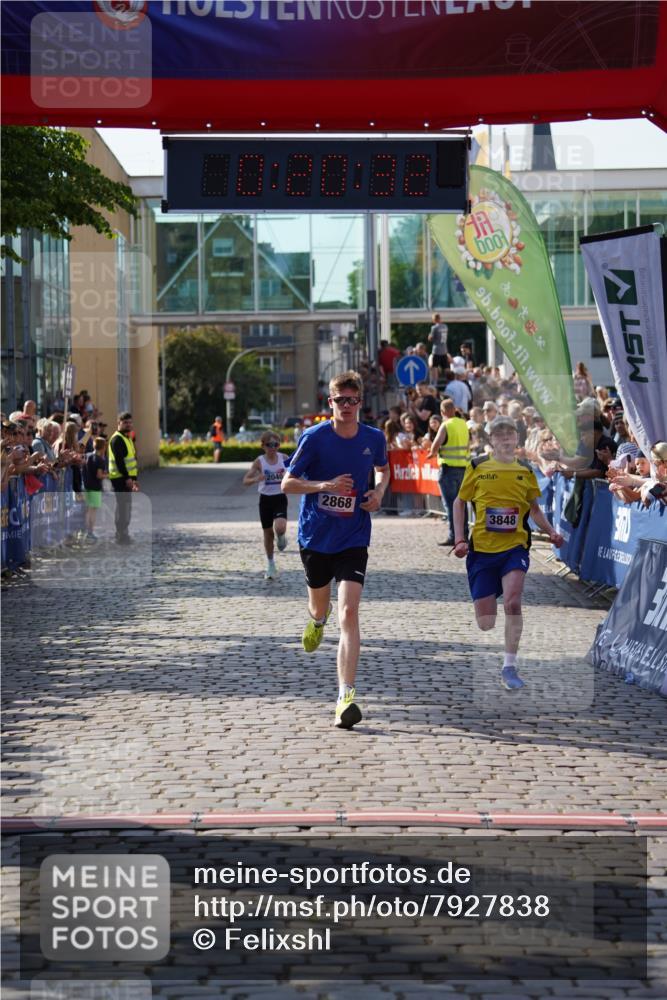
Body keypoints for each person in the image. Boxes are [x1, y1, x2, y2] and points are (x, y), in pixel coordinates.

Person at [281, 370, 389, 730]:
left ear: (361, 402)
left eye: (352, 400)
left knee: (349, 611)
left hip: (354, 536)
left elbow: (383, 470)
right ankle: (315, 620)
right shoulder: (314, 438)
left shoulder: (373, 437)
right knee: (322, 606)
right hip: (316, 537)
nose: (346, 406)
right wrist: (323, 485)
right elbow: (287, 484)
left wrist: (378, 493)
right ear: (330, 402)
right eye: (340, 400)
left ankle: (346, 696)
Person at [452, 416, 564, 691]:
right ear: (491, 440)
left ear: (517, 440)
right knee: (486, 622)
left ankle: (509, 665)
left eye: (509, 435)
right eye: (499, 435)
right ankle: (491, 591)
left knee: (513, 603)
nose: (505, 440)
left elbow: (534, 509)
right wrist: (459, 538)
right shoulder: (477, 466)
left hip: (515, 548)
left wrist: (551, 531)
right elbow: (460, 501)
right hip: (482, 550)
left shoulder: (525, 470)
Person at [242, 431, 289, 580]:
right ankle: (270, 565)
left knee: (280, 527)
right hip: (265, 500)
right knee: (268, 533)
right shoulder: (259, 461)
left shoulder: (284, 458)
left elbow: (297, 471)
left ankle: (281, 537)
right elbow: (245, 480)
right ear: (263, 446)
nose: (273, 447)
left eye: (276, 444)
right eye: (269, 445)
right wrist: (257, 478)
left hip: (280, 497)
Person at [428, 397, 470, 546]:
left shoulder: (446, 425)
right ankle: (465, 535)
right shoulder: (463, 424)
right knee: (462, 504)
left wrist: (431, 453)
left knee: (451, 505)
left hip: (448, 469)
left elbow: (436, 444)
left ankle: (454, 536)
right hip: (463, 469)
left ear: (442, 412)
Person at [108, 411, 138, 545]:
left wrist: (134, 478)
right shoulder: (117, 439)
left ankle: (123, 532)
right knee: (123, 506)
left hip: (126, 478)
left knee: (126, 506)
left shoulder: (127, 438)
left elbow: (131, 461)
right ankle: (121, 534)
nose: (128, 425)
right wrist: (127, 478)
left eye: (130, 422)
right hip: (119, 478)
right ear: (118, 423)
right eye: (125, 422)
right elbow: (120, 461)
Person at [83, 436, 108, 540]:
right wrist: (107, 475)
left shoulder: (87, 456)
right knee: (92, 511)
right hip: (95, 487)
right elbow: (99, 475)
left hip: (86, 485)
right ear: (103, 447)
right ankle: (90, 532)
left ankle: (85, 531)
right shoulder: (100, 460)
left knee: (87, 510)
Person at [428, 312, 449, 382]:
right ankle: (449, 380)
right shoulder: (445, 326)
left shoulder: (434, 327)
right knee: (446, 367)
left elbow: (431, 338)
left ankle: (435, 383)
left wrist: (429, 336)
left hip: (436, 350)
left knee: (435, 367)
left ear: (434, 319)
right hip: (444, 350)